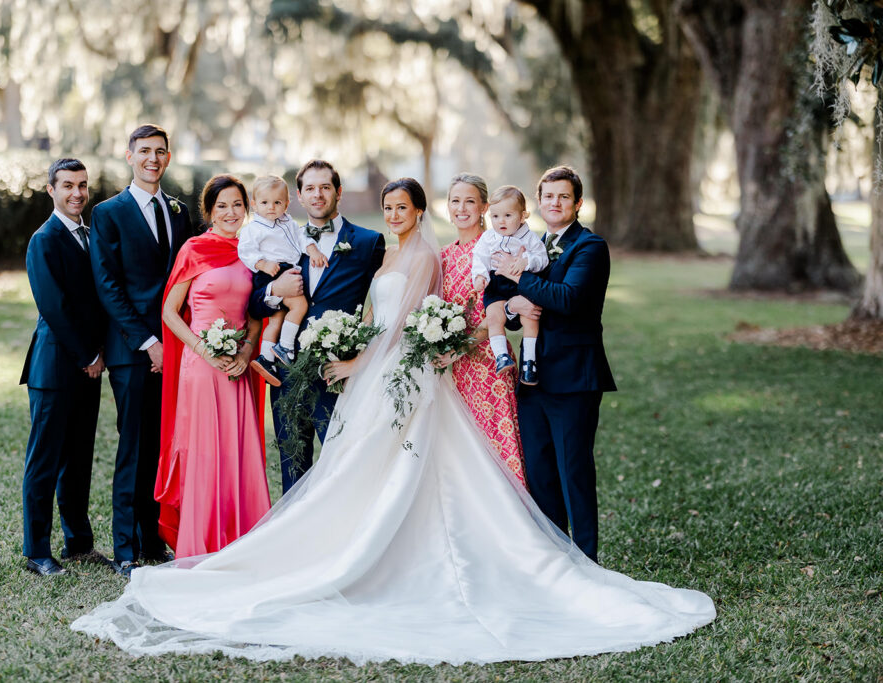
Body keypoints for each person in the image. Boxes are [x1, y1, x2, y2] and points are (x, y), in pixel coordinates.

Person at [72, 177, 715, 664]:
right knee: (355, 468)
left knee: (402, 470)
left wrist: (357, 363)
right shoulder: (384, 252)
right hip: (378, 368)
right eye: (388, 208)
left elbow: (410, 325)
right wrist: (350, 345)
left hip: (396, 373)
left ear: (418, 212)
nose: (393, 215)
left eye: (403, 208)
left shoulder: (421, 257)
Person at [496, 165, 616, 563]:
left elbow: (567, 298)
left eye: (564, 197)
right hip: (533, 380)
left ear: (577, 203)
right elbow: (514, 309)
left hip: (574, 377)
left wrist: (519, 279)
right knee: (540, 474)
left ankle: (587, 562)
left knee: (573, 473)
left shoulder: (590, 247)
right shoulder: (531, 244)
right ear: (539, 202)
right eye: (548, 196)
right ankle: (554, 558)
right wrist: (513, 305)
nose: (555, 203)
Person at [90, 124, 192, 576]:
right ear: (129, 156)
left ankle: (153, 542)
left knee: (161, 444)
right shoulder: (107, 213)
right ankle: (126, 550)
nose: (153, 158)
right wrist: (148, 342)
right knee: (133, 446)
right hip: (133, 350)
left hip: (176, 347)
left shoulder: (179, 211)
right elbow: (108, 286)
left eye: (160, 152)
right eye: (145, 151)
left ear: (167, 159)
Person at [248, 159, 385, 492]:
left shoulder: (368, 243)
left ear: (338, 192)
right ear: (299, 195)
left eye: (325, 187)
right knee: (292, 460)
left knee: (342, 458)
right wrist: (273, 291)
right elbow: (253, 304)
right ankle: (295, 540)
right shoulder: (279, 239)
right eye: (310, 188)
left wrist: (358, 354)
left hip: (336, 370)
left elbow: (384, 303)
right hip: (286, 368)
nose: (318, 194)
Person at [154, 174, 271, 558]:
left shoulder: (255, 251)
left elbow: (258, 310)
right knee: (205, 451)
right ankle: (201, 543)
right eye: (222, 206)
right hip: (202, 365)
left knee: (237, 451)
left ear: (247, 208)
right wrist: (202, 349)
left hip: (238, 365)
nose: (231, 212)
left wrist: (247, 351)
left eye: (238, 204)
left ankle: (241, 543)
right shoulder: (194, 249)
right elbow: (171, 312)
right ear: (209, 211)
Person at [20, 158, 108, 576]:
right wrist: (89, 356)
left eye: (83, 185)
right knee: (45, 460)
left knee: (79, 459)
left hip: (88, 368)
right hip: (54, 369)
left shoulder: (90, 235)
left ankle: (79, 543)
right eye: (68, 185)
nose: (77, 193)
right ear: (51, 190)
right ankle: (36, 549)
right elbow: (53, 306)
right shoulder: (44, 239)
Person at [438, 173, 525, 485]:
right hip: (450, 371)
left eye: (470, 201)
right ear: (448, 207)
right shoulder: (443, 256)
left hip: (487, 364)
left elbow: (498, 308)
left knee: (494, 451)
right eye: (455, 201)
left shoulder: (495, 251)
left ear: (484, 207)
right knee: (456, 453)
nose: (462, 208)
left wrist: (461, 347)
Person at [237, 175, 328, 387]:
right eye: (265, 202)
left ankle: (266, 359)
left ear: (287, 204)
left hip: (284, 269)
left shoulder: (288, 222)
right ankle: (285, 347)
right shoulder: (253, 229)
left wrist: (312, 249)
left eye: (277, 202)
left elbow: (302, 238)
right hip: (270, 271)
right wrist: (262, 263)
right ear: (254, 204)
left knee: (277, 319)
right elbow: (246, 251)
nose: (271, 208)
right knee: (300, 304)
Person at [472, 185, 548, 384]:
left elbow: (542, 258)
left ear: (522, 216)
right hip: (496, 284)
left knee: (531, 318)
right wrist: (480, 277)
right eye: (495, 216)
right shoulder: (488, 237)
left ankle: (529, 362)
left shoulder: (529, 237)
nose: (501, 221)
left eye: (507, 215)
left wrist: (527, 260)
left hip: (520, 285)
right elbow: (479, 258)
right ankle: (501, 356)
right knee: (494, 316)